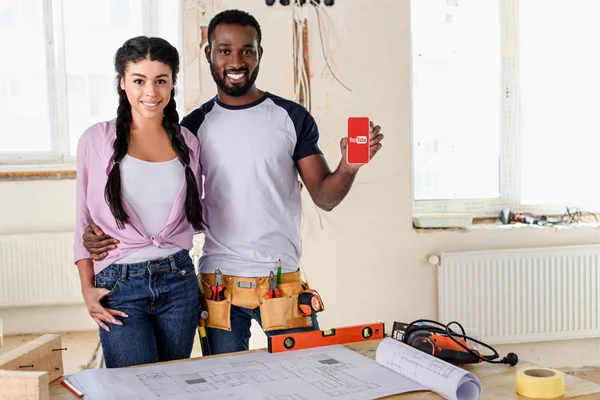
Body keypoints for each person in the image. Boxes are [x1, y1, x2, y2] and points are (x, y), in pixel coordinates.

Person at [81, 9, 384, 356]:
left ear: (259, 54)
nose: (236, 60)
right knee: (225, 385)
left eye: (247, 50)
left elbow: (325, 197)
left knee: (305, 373)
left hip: (281, 280)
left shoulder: (291, 117)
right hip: (218, 284)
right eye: (225, 50)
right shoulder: (191, 129)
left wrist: (349, 166)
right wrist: (101, 232)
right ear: (209, 53)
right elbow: (158, 195)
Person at [73, 36, 206, 368]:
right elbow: (82, 221)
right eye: (139, 80)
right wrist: (87, 289)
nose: (151, 91)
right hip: (119, 285)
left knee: (174, 384)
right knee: (134, 387)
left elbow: (202, 209)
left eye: (161, 80)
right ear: (122, 82)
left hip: (179, 281)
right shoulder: (95, 140)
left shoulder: (188, 142)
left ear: (173, 83)